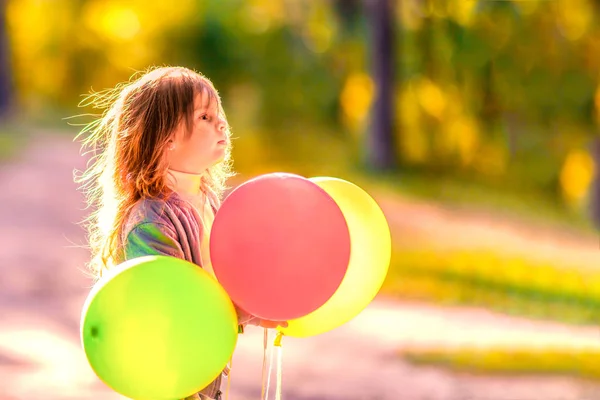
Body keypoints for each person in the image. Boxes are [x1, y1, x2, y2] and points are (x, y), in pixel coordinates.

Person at [75, 66, 287, 400]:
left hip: (203, 364)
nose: (221, 123)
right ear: (167, 138)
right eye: (204, 117)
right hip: (170, 373)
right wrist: (243, 310)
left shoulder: (208, 201)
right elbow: (171, 303)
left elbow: (220, 279)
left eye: (219, 114)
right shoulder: (151, 219)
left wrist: (259, 310)